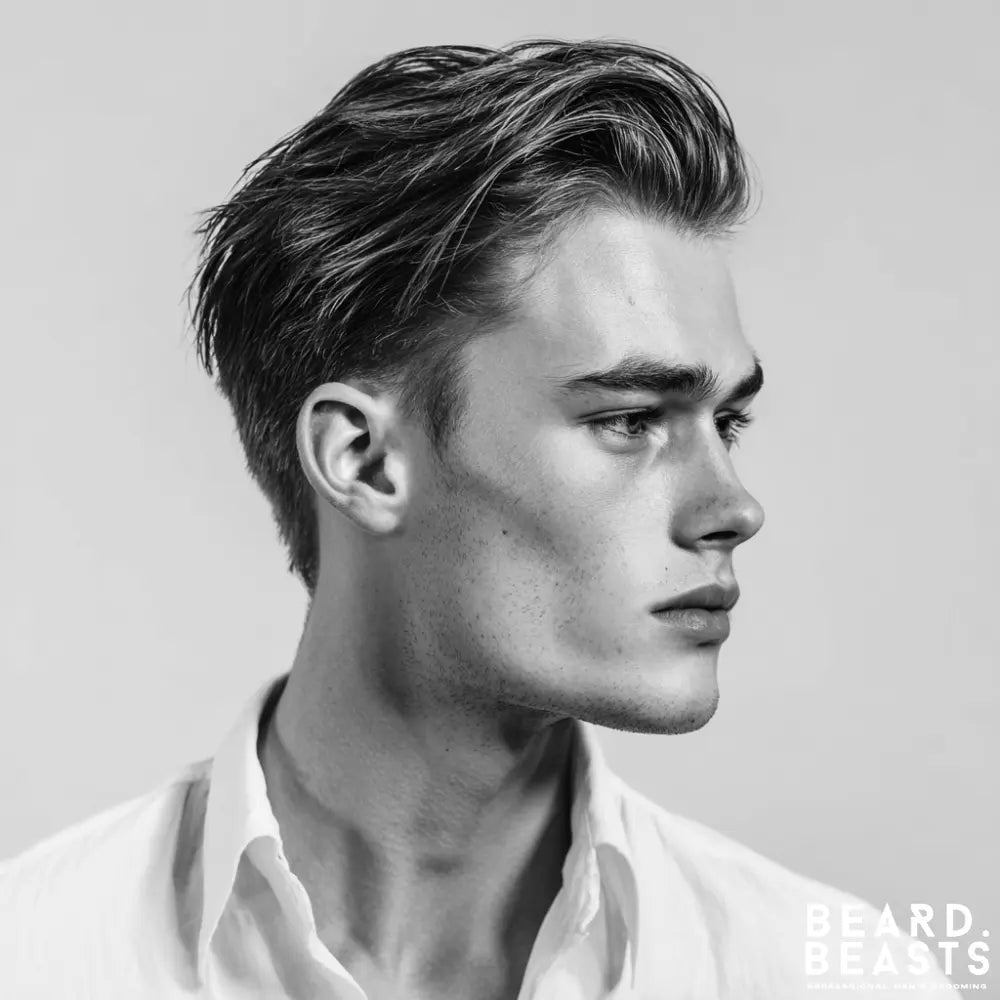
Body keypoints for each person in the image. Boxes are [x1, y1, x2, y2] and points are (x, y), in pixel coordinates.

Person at [1, 39, 955, 1000]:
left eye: (728, 421)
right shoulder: (38, 960)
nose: (734, 508)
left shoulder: (842, 979)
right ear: (364, 460)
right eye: (628, 421)